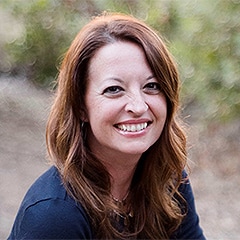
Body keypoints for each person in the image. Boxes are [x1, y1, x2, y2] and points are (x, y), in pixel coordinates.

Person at [8, 12, 205, 239]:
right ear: (81, 107)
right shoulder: (54, 216)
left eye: (151, 86)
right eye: (114, 89)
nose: (138, 106)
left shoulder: (166, 180)